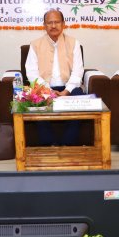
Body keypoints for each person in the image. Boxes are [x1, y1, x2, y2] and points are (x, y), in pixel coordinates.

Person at [25, 9, 85, 146]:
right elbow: (31, 73)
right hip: (44, 88)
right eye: (49, 22)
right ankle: (48, 143)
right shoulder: (35, 44)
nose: (53, 25)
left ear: (63, 24)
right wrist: (48, 91)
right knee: (36, 98)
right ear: (44, 25)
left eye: (57, 22)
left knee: (79, 95)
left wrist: (65, 91)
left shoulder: (74, 43)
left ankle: (68, 144)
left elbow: (78, 72)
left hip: (68, 88)